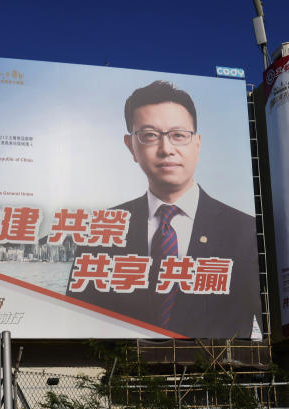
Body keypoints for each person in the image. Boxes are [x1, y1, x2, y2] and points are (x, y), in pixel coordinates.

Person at [65, 80, 261, 338]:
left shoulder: (245, 231)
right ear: (131, 146)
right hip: (121, 375)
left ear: (197, 143)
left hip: (218, 376)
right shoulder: (100, 231)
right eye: (149, 136)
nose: (166, 149)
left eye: (179, 135)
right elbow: (77, 325)